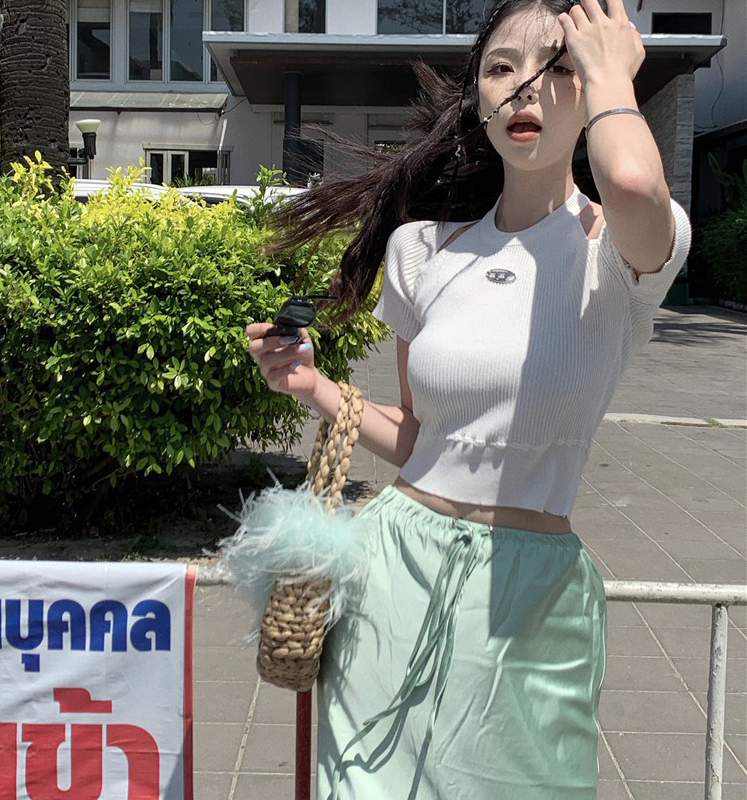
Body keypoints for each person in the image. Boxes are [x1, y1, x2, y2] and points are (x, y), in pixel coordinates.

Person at [245, 0, 692, 797]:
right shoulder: (423, 249)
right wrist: (312, 387)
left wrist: (611, 71)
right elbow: (421, 440)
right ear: (477, 97)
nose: (525, 88)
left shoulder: (620, 250)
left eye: (558, 67)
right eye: (501, 68)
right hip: (393, 568)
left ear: (596, 87)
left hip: (530, 596)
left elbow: (629, 179)